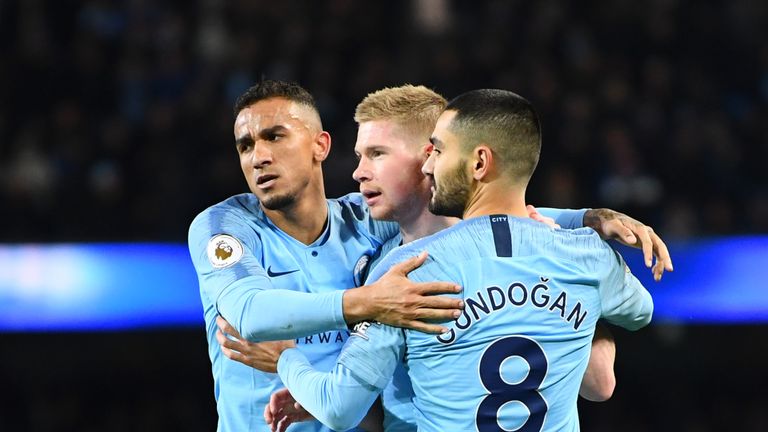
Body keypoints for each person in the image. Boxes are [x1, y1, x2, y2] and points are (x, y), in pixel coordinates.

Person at [215, 85, 671, 431]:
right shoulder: (569, 252)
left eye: (376, 153)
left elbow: (340, 405)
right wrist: (582, 230)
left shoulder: (401, 280)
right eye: (359, 155)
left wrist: (290, 364)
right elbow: (603, 376)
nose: (358, 172)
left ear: (429, 158)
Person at [188, 80, 468, 432]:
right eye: (246, 146)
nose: (258, 157)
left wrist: (533, 217)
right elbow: (250, 314)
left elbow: (438, 212)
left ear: (320, 146)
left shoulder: (364, 219)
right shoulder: (225, 226)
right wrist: (369, 301)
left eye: (274, 136)